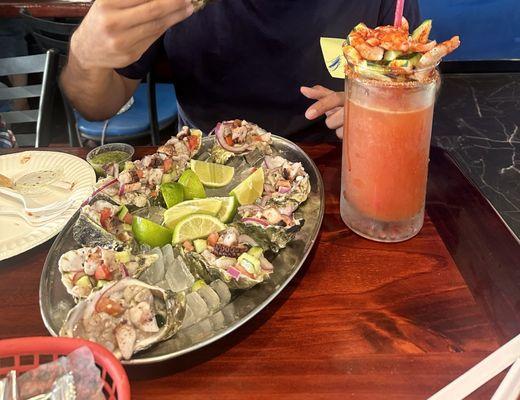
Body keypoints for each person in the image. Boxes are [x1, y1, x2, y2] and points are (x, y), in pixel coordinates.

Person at [61, 0, 420, 141]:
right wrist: (85, 55)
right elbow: (97, 106)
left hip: (330, 167)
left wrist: (376, 107)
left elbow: (414, 89)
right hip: (202, 162)